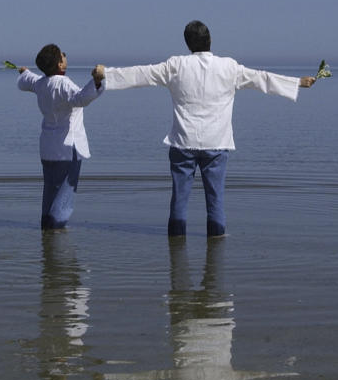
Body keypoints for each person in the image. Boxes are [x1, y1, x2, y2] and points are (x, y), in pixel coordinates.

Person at [100, 21, 316, 238]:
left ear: (187, 44)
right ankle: (216, 252)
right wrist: (297, 82)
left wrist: (105, 74)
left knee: (179, 199)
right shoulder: (228, 67)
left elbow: (141, 74)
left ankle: (176, 253)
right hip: (217, 143)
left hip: (183, 142)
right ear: (210, 40)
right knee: (216, 199)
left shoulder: (176, 66)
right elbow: (262, 79)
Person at [17, 44, 106, 230]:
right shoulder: (63, 84)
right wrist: (97, 81)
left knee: (50, 192)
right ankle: (55, 235)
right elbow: (81, 98)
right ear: (60, 65)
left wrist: (24, 72)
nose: (65, 56)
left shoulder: (41, 83)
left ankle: (46, 233)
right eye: (62, 55)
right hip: (68, 148)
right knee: (65, 195)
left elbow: (28, 81)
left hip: (48, 149)